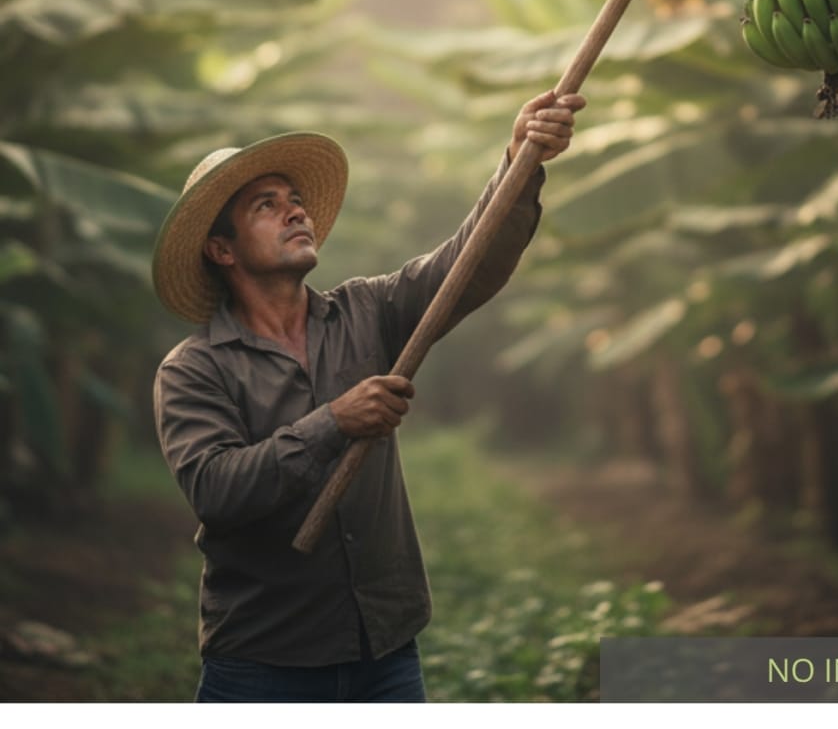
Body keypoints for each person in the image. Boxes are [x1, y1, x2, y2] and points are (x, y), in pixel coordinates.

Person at [152, 90, 585, 703]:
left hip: (383, 651)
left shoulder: (367, 310)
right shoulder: (195, 369)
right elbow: (217, 491)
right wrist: (333, 421)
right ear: (222, 249)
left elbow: (467, 263)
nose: (295, 212)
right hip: (262, 661)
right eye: (266, 205)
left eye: (295, 200)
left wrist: (519, 160)